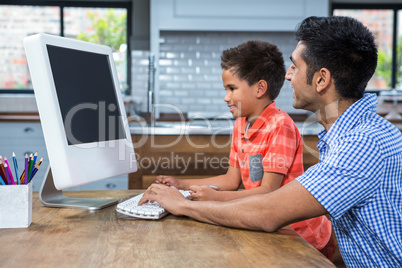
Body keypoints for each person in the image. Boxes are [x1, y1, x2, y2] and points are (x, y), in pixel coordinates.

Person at [140, 16, 402, 267]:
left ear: (321, 79)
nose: (288, 76)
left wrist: (183, 204)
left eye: (295, 66)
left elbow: (268, 212)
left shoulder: (361, 144)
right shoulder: (355, 133)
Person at [152, 40, 334, 259]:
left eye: (232, 89)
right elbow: (231, 180)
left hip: (303, 237)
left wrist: (214, 198)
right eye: (226, 89)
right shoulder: (241, 123)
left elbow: (268, 192)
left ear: (260, 88)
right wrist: (181, 184)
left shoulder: (280, 126)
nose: (226, 97)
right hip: (267, 228)